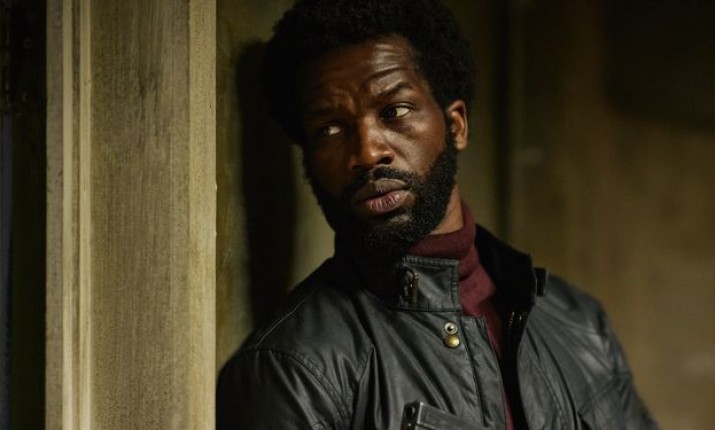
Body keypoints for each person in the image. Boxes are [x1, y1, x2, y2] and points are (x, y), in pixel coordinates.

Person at [217, 0, 658, 428]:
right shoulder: (293, 370)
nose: (367, 152)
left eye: (395, 111)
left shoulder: (578, 320)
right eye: (329, 129)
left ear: (456, 125)